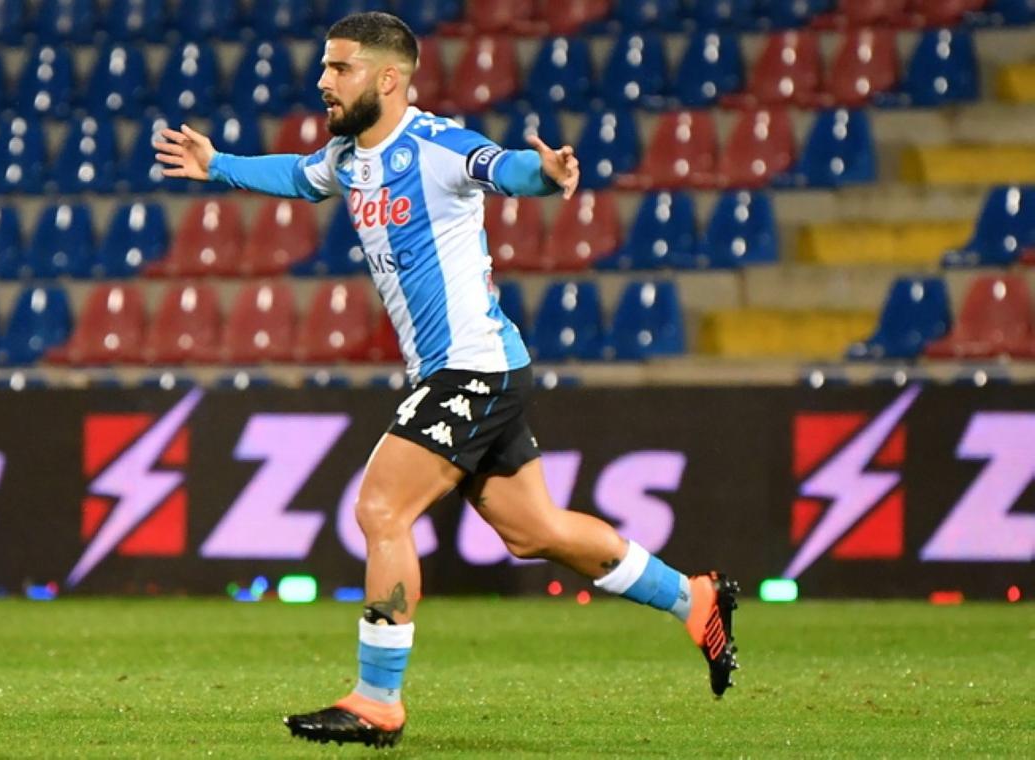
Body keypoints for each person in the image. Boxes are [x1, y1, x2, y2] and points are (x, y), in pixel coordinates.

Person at [154, 11, 739, 749]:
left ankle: (377, 701)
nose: (323, 82)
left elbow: (499, 168)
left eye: (340, 69)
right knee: (536, 532)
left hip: (474, 367)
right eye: (326, 68)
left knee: (380, 509)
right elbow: (301, 179)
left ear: (389, 79)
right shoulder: (350, 157)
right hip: (472, 370)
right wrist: (220, 165)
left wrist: (547, 173)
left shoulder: (433, 145)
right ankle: (695, 599)